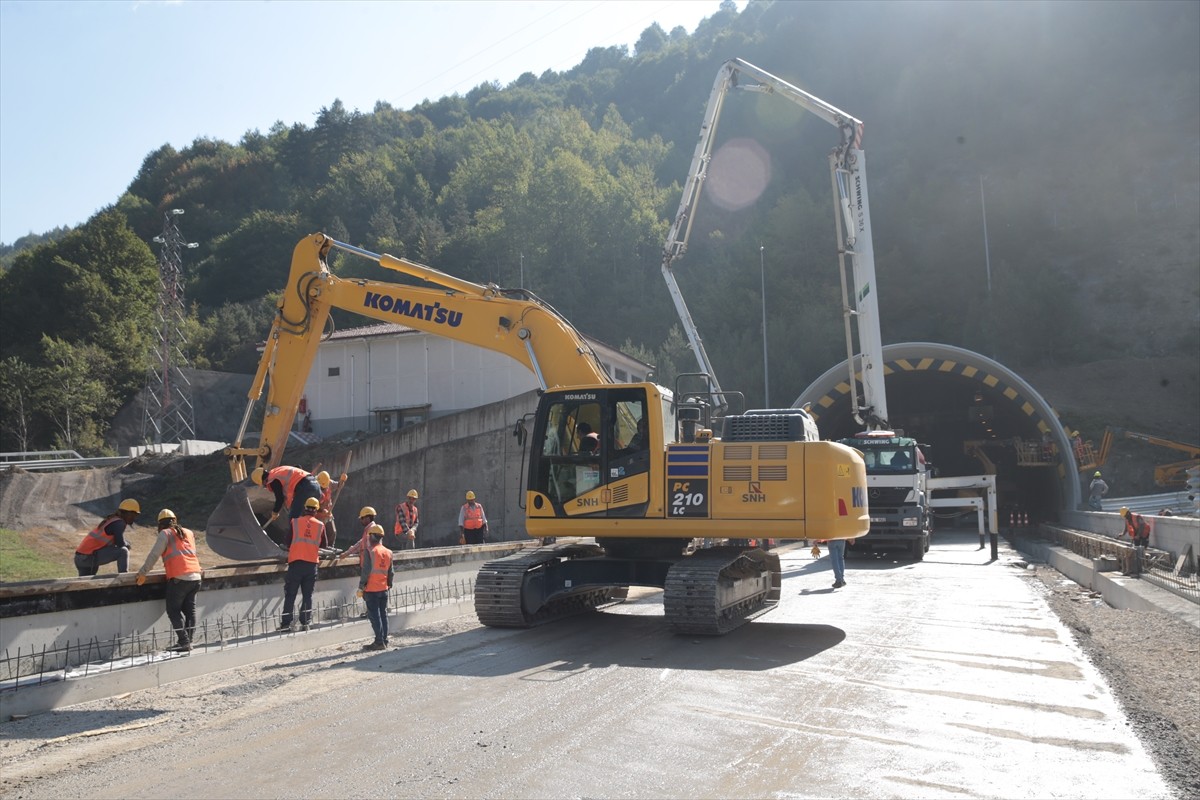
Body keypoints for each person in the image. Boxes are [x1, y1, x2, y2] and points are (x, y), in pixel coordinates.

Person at [136, 509, 202, 653]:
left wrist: (142, 573)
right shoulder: (189, 533)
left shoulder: (165, 534)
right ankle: (187, 641)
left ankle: (184, 642)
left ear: (160, 524)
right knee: (190, 611)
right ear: (175, 520)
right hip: (196, 576)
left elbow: (154, 555)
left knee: (173, 610)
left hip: (179, 578)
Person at [279, 496, 325, 632]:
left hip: (296, 564)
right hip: (311, 565)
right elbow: (324, 544)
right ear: (316, 511)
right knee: (307, 595)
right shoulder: (320, 525)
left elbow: (287, 541)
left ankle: (286, 624)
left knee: (290, 594)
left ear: (305, 509)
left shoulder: (295, 522)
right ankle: (306, 622)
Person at [75, 499, 139, 576]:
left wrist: (125, 543)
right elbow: (120, 544)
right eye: (133, 515)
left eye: (136, 515)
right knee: (123, 551)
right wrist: (126, 544)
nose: (134, 518)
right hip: (87, 558)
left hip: (81, 558)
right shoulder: (119, 523)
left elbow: (115, 540)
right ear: (126, 513)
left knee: (85, 585)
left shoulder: (113, 520)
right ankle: (124, 578)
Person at [358, 523, 393, 651]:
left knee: (374, 616)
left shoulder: (370, 551)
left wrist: (361, 587)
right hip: (383, 589)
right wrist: (389, 584)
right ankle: (384, 640)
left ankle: (378, 642)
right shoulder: (388, 552)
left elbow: (366, 571)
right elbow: (391, 572)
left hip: (371, 589)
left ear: (371, 536)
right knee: (383, 614)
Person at [252, 465, 323, 527]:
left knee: (294, 518)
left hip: (305, 488)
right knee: (307, 517)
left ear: (263, 481)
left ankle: (293, 540)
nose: (265, 486)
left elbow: (280, 498)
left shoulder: (273, 480)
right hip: (316, 486)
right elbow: (297, 467)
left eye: (264, 485)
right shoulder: (277, 471)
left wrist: (275, 512)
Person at [315, 470, 347, 544]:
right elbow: (311, 503)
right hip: (317, 515)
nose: (323, 488)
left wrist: (342, 480)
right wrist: (321, 510)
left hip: (328, 514)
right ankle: (318, 548)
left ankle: (330, 548)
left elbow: (339, 486)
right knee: (319, 535)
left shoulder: (329, 483)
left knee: (332, 532)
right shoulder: (313, 486)